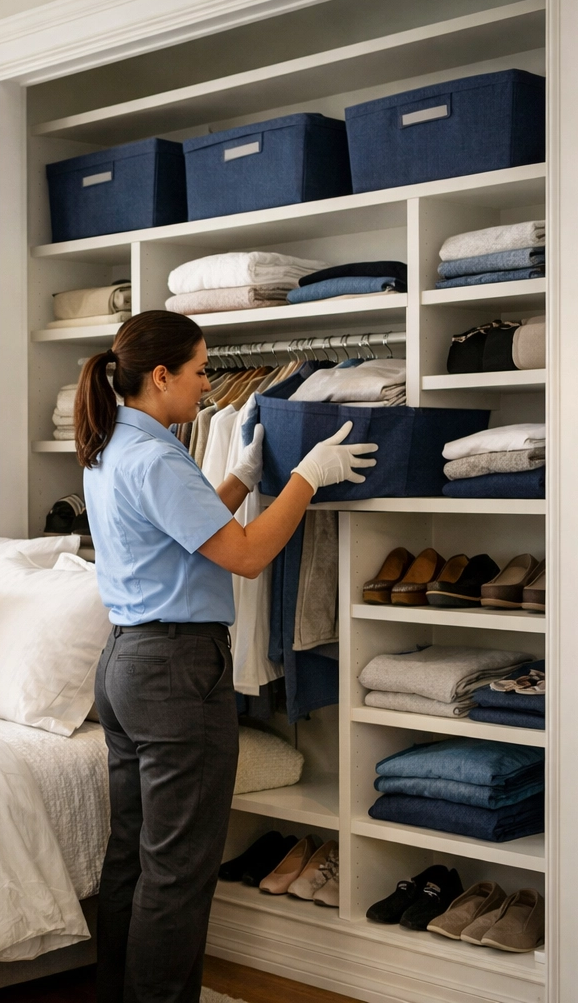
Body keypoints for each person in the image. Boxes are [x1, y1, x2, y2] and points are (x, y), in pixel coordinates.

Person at [76, 311, 376, 1003]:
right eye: (200, 369)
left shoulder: (115, 442)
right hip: (175, 672)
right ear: (160, 376)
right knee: (178, 867)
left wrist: (240, 479)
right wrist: (305, 477)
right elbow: (243, 555)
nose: (209, 384)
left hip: (127, 664)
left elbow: (186, 528)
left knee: (133, 856)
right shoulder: (154, 454)